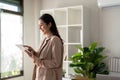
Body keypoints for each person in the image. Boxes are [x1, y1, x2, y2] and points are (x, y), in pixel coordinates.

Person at [24, 14, 64, 80]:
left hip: (49, 77)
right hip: (40, 75)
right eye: (39, 26)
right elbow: (43, 56)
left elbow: (56, 63)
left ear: (49, 24)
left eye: (41, 25)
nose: (39, 28)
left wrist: (37, 61)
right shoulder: (44, 39)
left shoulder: (55, 40)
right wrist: (33, 52)